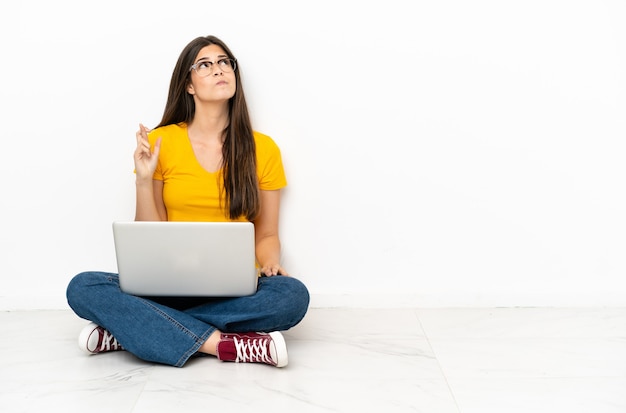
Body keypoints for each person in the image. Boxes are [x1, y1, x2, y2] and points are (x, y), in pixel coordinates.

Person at [66, 35, 310, 368]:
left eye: (225, 62)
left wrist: (269, 264)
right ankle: (223, 345)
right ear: (189, 85)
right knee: (83, 286)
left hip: (233, 288)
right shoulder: (161, 141)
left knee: (291, 297)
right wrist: (143, 178)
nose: (219, 70)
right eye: (205, 65)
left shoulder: (263, 148)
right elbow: (150, 235)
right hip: (166, 285)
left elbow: (266, 235)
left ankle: (130, 330)